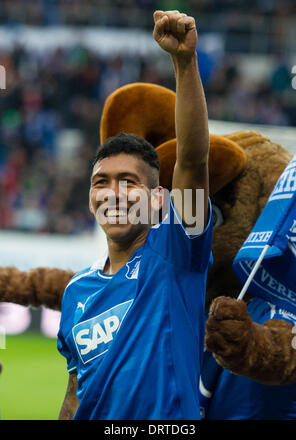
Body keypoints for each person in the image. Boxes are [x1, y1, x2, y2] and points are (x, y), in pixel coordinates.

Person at [57, 10, 213, 420]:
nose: (113, 193)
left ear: (159, 198)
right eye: (101, 181)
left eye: (129, 181)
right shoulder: (77, 291)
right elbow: (74, 395)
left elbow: (194, 161)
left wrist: (184, 63)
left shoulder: (177, 252)